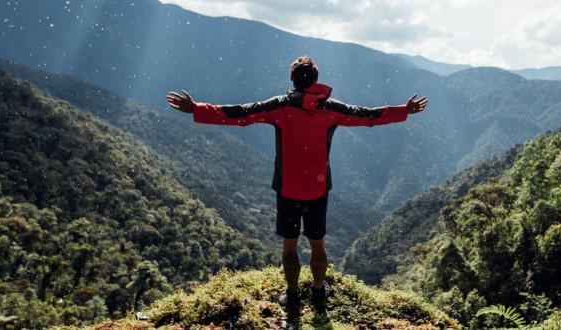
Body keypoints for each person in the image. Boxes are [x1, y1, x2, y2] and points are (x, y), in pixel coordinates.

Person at [166, 56, 427, 313]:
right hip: (318, 189)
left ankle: (292, 296)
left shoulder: (280, 106)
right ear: (315, 80)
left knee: (289, 246)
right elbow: (369, 116)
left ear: (293, 80)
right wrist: (404, 110)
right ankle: (318, 291)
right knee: (318, 243)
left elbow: (240, 114)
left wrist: (197, 109)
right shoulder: (331, 109)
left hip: (288, 188)